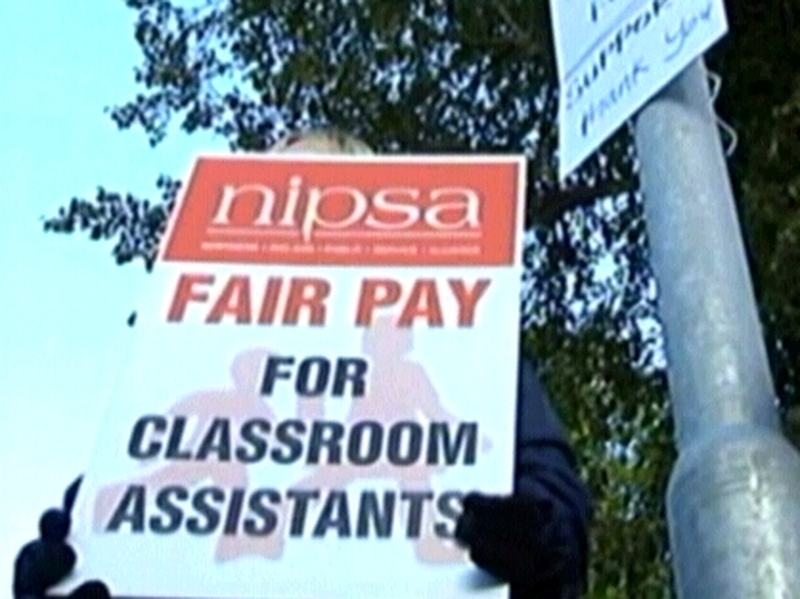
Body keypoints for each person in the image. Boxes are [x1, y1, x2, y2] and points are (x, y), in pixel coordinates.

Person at [13, 130, 593, 598]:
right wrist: (59, 577)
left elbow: (556, 511)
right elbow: (127, 508)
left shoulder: (465, 356)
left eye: (324, 198)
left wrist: (538, 545)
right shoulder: (179, 382)